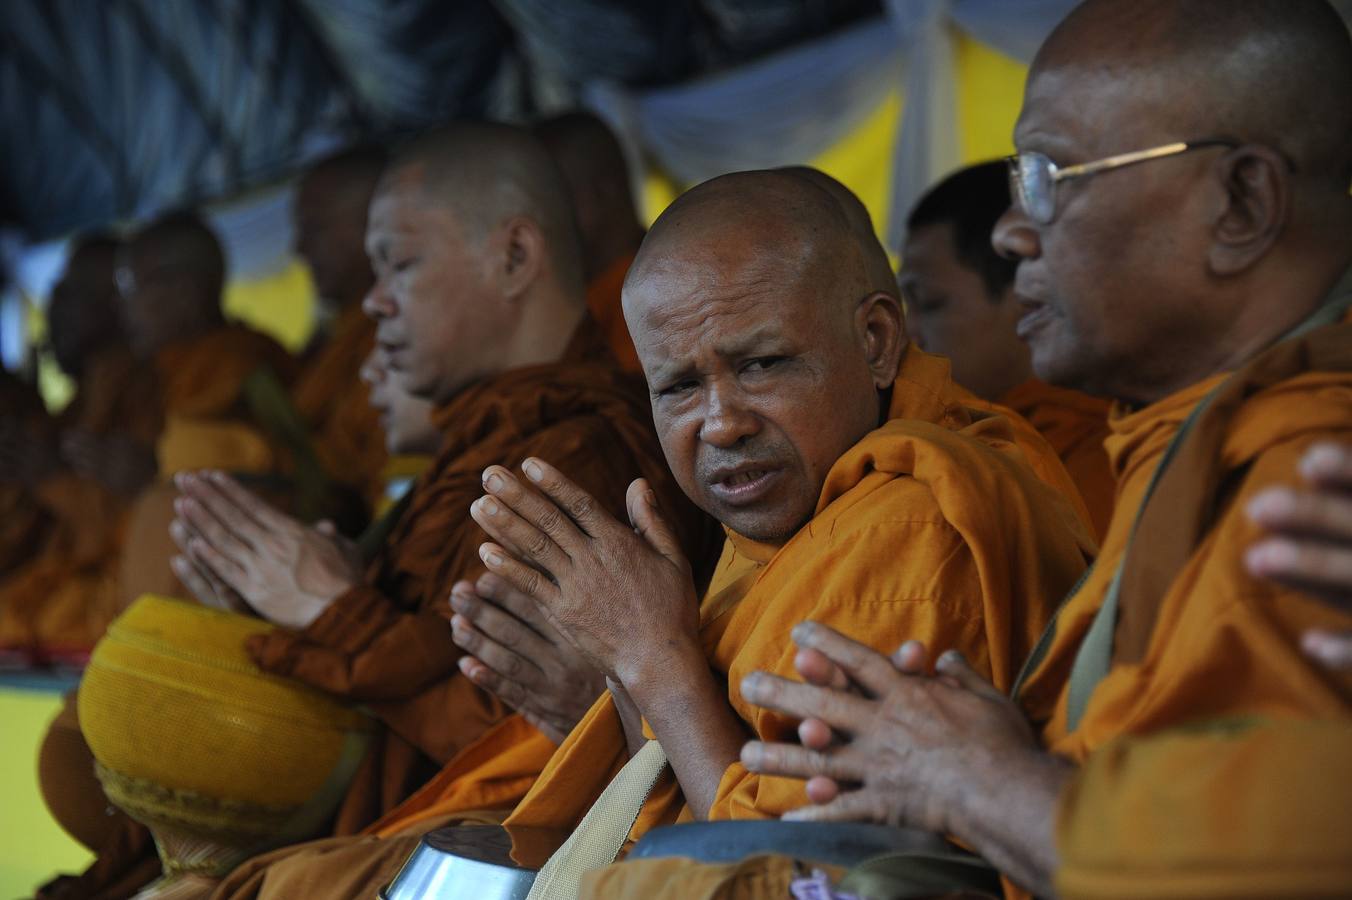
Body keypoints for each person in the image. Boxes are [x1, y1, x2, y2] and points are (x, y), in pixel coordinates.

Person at [714, 2, 1352, 898]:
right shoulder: (1188, 446)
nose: (1015, 232)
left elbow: (1260, 869)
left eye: (1054, 175)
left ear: (1242, 201)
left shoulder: (1311, 478)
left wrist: (978, 781)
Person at [452, 166, 1094, 897]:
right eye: (680, 388)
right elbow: (678, 820)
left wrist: (656, 659)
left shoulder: (912, 527)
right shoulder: (786, 513)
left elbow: (788, 876)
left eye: (762, 364)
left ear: (877, 340)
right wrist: (628, 662)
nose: (722, 422)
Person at [155, 123, 710, 899]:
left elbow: (514, 744)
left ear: (514, 256)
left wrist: (335, 612)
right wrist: (303, 609)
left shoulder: (576, 461)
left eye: (400, 264)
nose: (373, 301)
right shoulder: (477, 446)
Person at [902, 162, 1115, 538]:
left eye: (930, 303)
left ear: (1027, 293)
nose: (907, 334)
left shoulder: (1108, 456)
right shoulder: (952, 447)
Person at [290, 146, 391, 510]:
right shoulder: (327, 343)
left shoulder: (405, 333)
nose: (299, 249)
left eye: (314, 228)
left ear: (374, 222)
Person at [534, 111, 646, 373]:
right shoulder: (577, 304)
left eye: (548, 199)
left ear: (604, 191)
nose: (537, 220)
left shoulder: (662, 295)